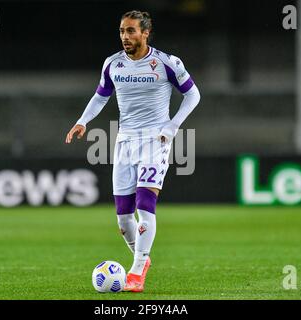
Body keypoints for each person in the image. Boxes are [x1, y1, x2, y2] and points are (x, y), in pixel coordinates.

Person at [65, 10, 200, 292]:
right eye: (122, 31)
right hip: (125, 141)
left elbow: (193, 94)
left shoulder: (165, 63)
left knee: (144, 204)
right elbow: (101, 96)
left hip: (155, 140)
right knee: (124, 218)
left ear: (145, 32)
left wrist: (173, 126)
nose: (125, 37)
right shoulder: (113, 64)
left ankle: (137, 271)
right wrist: (82, 121)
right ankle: (142, 257)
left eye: (131, 31)